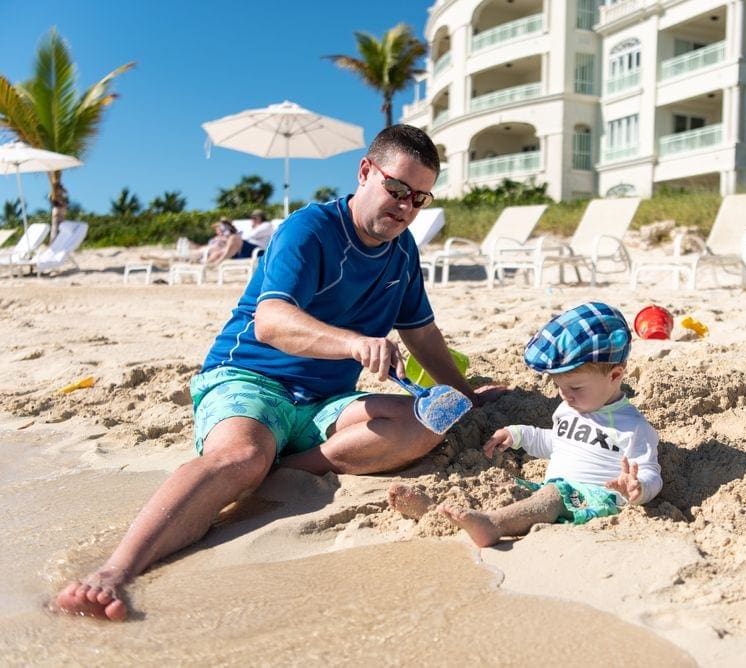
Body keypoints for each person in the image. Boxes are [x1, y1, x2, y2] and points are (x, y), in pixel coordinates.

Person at [54, 124, 503, 621]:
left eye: (419, 198)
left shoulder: (403, 253)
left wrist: (469, 394)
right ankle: (115, 571)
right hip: (249, 377)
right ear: (365, 172)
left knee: (427, 420)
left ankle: (291, 466)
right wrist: (354, 342)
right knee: (242, 457)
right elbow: (271, 323)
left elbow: (422, 336)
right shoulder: (309, 229)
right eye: (397, 188)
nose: (405, 207)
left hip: (325, 402)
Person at [388, 301, 662, 547]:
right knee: (508, 489)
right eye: (559, 386)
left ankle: (493, 525)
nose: (564, 395)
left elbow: (651, 470)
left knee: (551, 497)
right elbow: (557, 443)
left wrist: (638, 488)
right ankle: (438, 513)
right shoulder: (570, 408)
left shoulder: (632, 426)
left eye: (575, 387)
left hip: (593, 498)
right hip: (556, 491)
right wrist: (519, 435)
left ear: (615, 375)